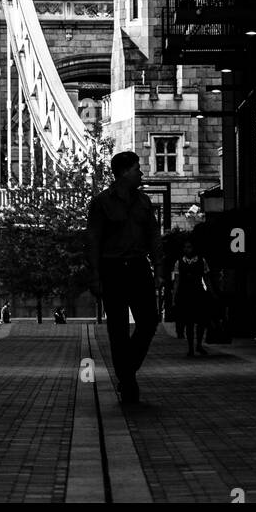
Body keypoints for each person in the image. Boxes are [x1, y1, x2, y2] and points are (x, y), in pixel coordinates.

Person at [86, 151, 163, 405]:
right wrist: (95, 276)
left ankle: (126, 369)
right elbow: (93, 241)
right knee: (117, 328)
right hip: (113, 269)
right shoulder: (101, 203)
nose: (141, 173)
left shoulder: (144, 202)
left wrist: (159, 269)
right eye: (136, 169)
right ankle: (128, 382)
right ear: (123, 172)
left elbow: (153, 237)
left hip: (139, 267)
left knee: (150, 320)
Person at [175, 237, 213, 357]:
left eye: (190, 247)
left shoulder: (202, 260)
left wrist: (211, 292)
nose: (188, 249)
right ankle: (192, 347)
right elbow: (177, 280)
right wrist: (175, 295)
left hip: (198, 292)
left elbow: (207, 279)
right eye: (186, 247)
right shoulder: (179, 262)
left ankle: (198, 345)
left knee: (201, 321)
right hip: (185, 293)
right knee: (189, 322)